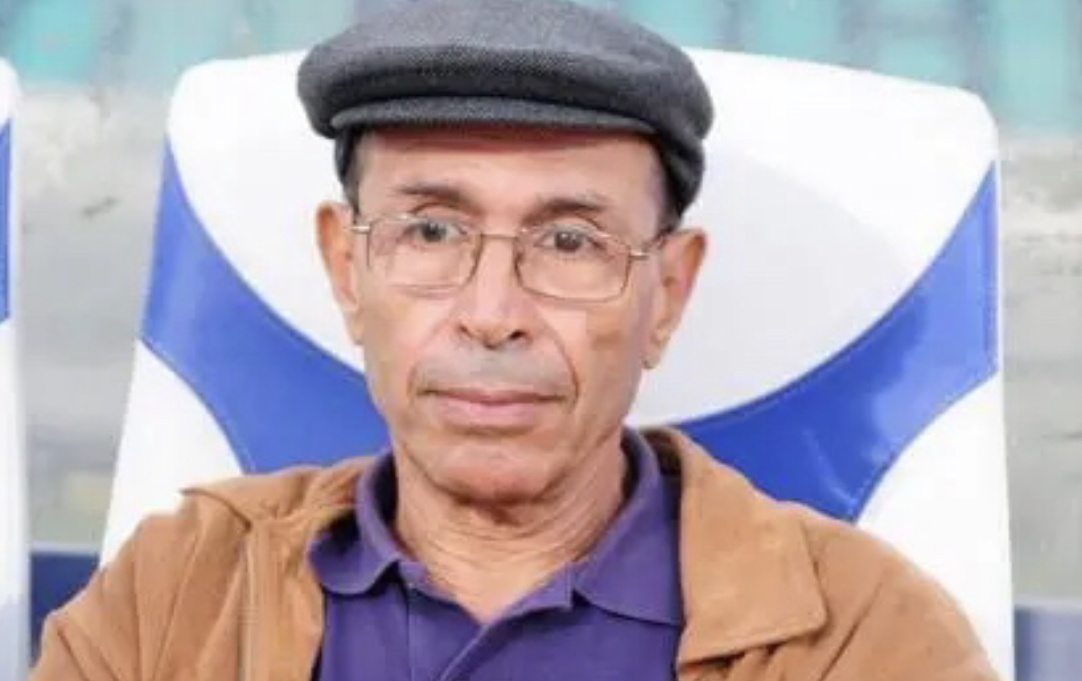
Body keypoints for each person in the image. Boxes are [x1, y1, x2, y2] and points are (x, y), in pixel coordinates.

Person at [32, 0, 999, 679]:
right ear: (345, 268)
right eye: (431, 231)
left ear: (668, 290)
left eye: (569, 241)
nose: (492, 311)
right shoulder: (177, 596)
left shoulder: (860, 636)